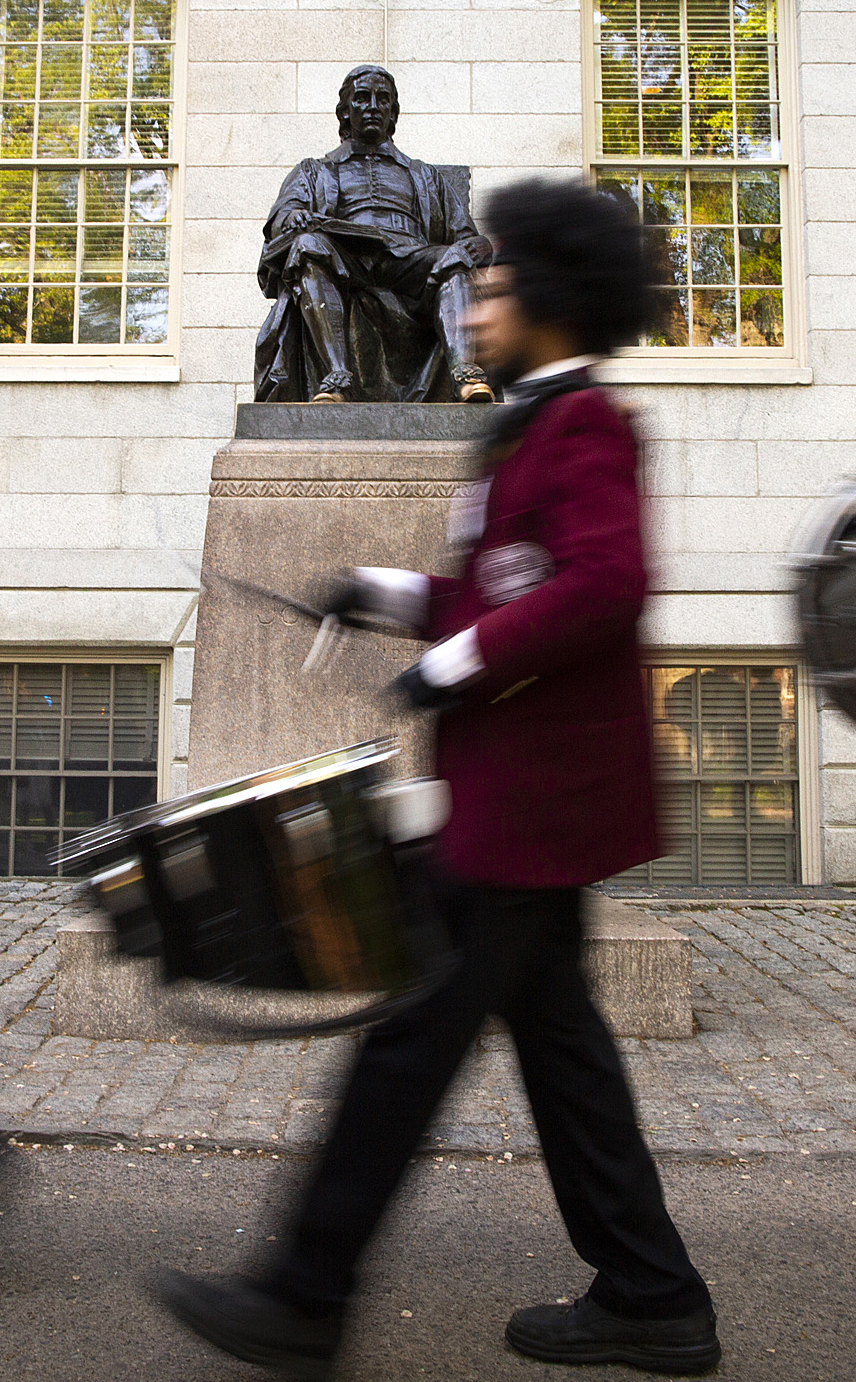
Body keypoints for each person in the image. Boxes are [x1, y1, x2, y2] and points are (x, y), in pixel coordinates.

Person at [159, 178, 719, 1379]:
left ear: (557, 300)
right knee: (562, 1046)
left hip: (529, 803)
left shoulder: (586, 426)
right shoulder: (525, 424)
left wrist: (454, 663)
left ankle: (304, 1293)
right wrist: (383, 591)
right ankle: (652, 1291)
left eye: (500, 282)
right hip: (519, 799)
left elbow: (600, 586)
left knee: (409, 1043)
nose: (475, 303)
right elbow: (502, 590)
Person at [252, 65, 495, 404]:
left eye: (383, 100)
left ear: (393, 113)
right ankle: (335, 379)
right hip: (346, 261)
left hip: (412, 263)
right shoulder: (314, 171)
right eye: (362, 98)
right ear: (345, 112)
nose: (372, 107)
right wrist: (293, 218)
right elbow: (283, 217)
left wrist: (471, 250)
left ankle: (466, 375)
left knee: (453, 260)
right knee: (307, 246)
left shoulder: (425, 176)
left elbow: (468, 237)